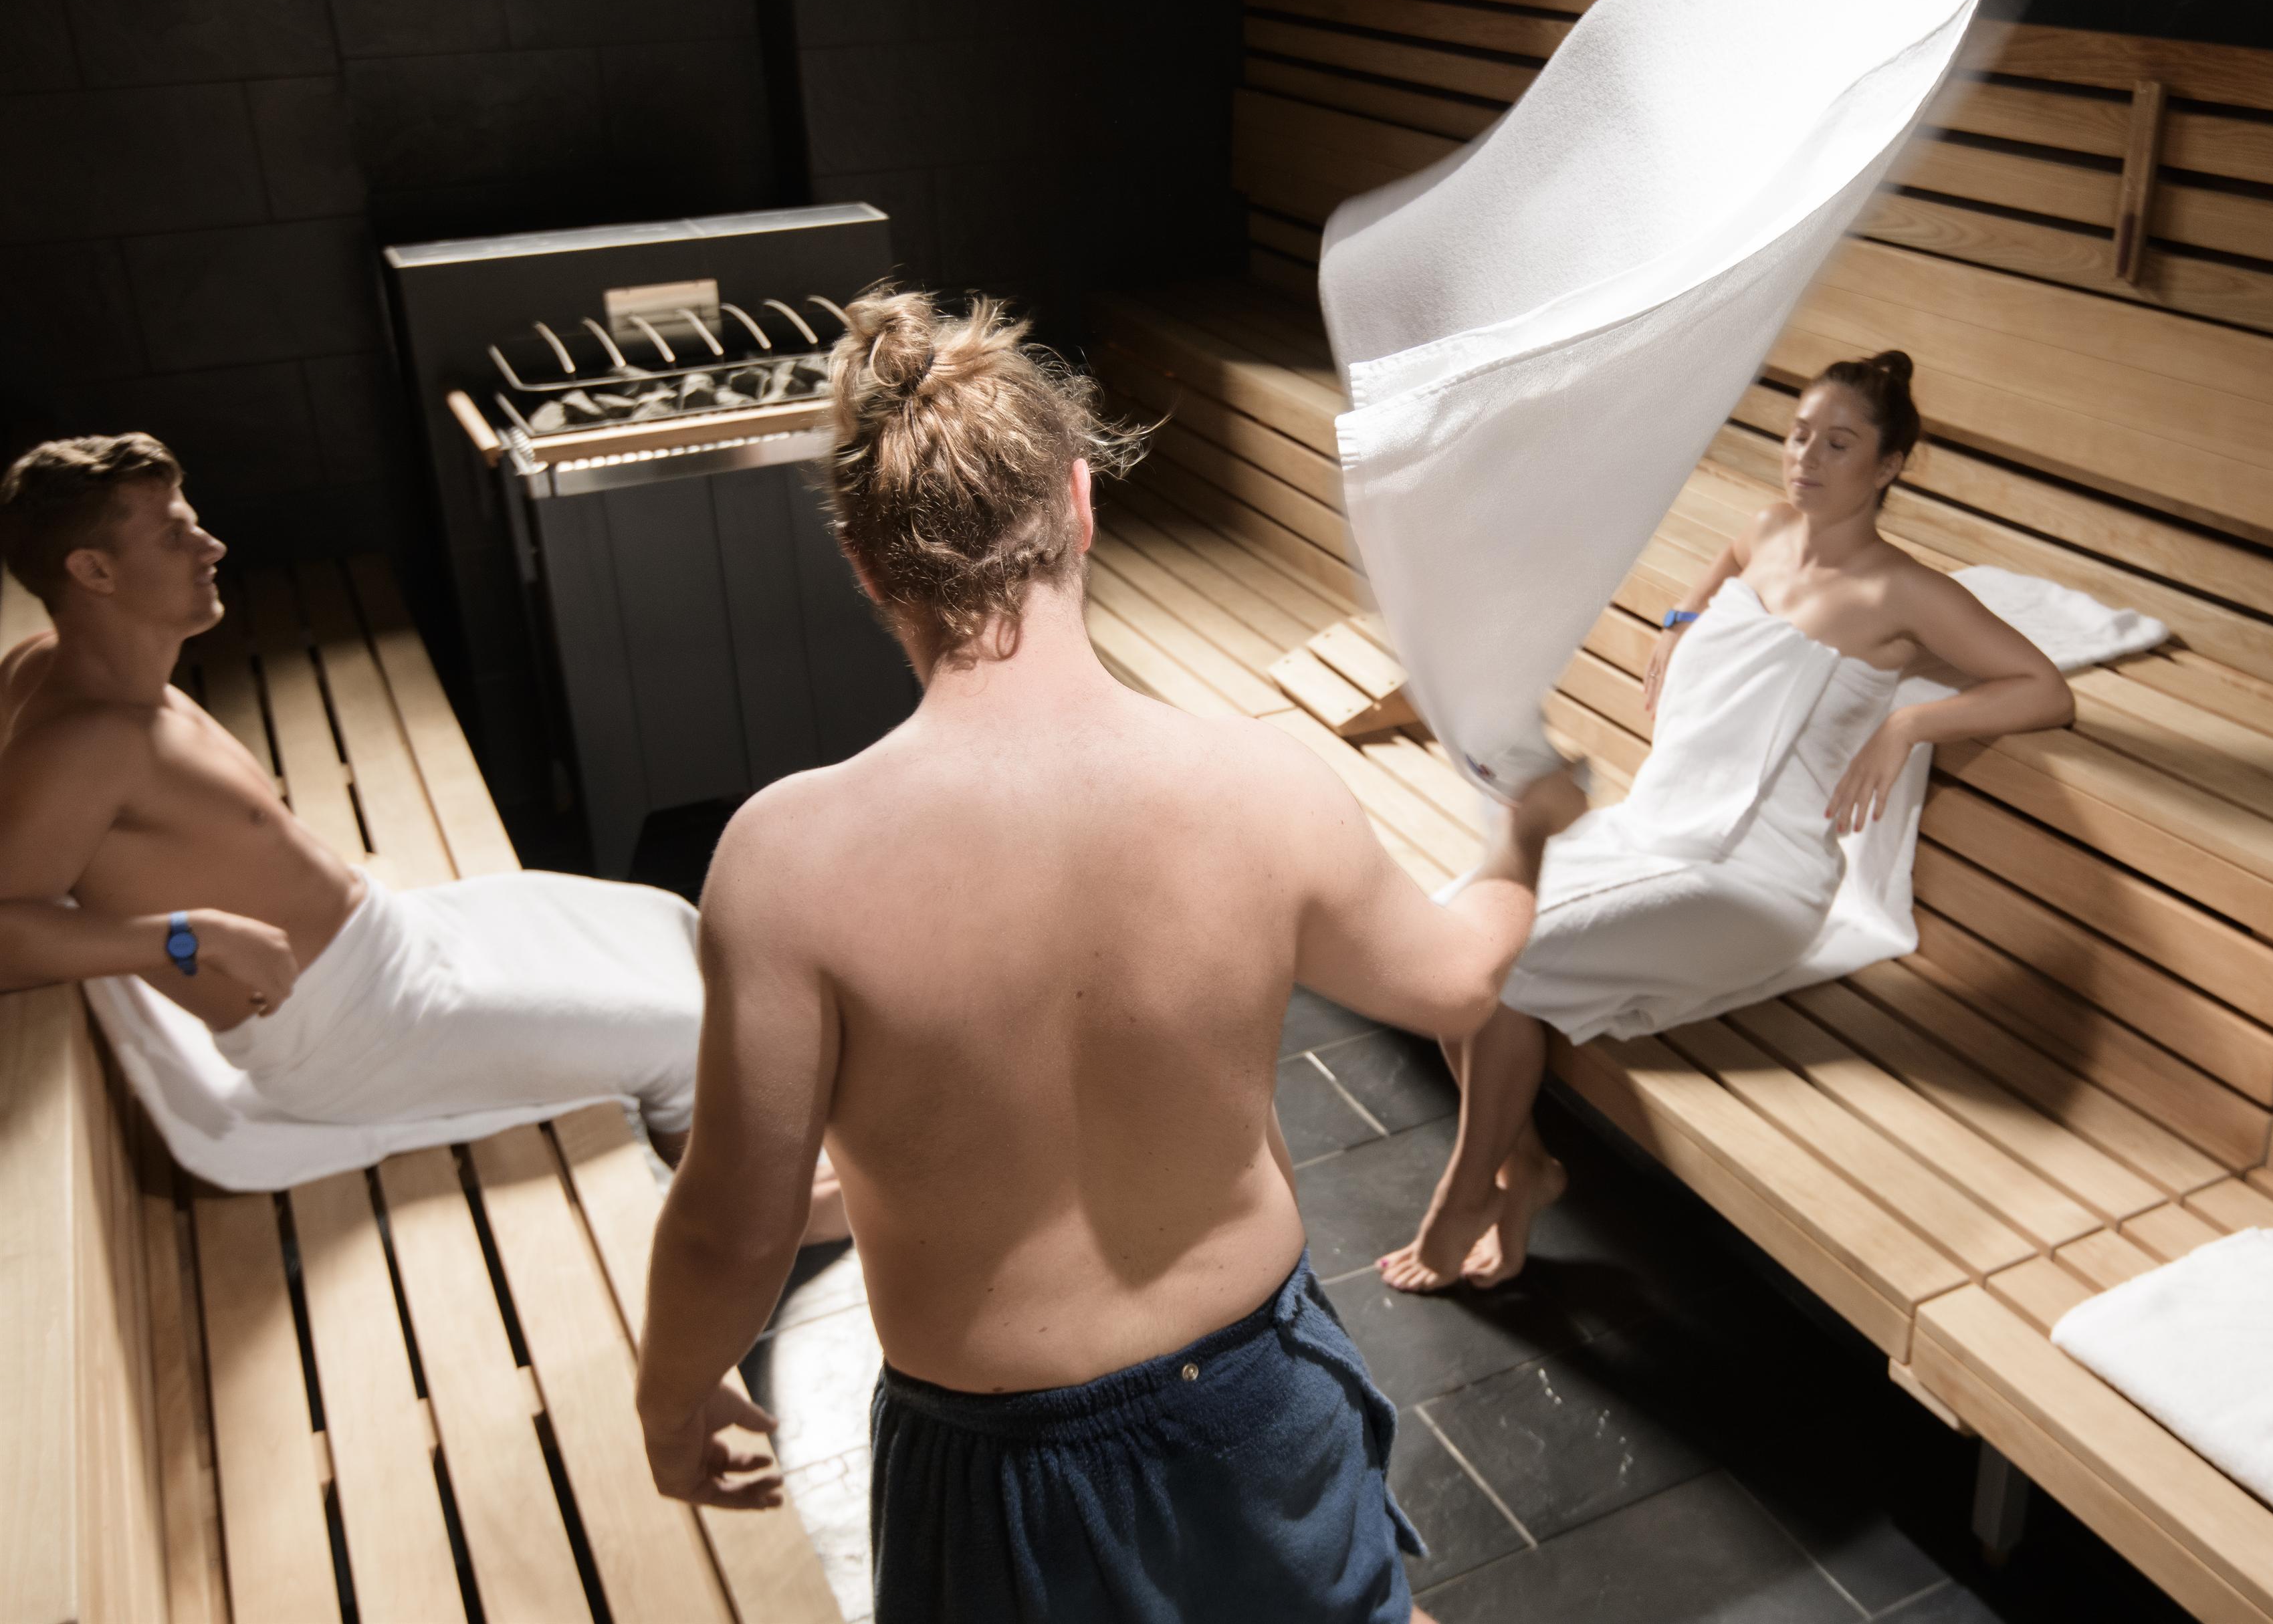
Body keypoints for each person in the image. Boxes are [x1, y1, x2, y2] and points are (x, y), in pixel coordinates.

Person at [633, 288, 1584, 1624]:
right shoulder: (1261, 786)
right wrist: (1522, 838)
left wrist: (671, 1395)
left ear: (864, 563)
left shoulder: (787, 861)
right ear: (1081, 502)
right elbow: (1455, 981)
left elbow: (737, 1219)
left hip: (1001, 1469)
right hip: (1257, 1399)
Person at [0, 432, 843, 1235]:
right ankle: (760, 1223)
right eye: (174, 535)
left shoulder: (50, 666)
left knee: (661, 927)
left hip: (390, 938)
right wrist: (191, 936)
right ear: (93, 570)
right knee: (681, 1033)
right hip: (353, 1032)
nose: (211, 547)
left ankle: (743, 1154)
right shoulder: (85, 741)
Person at [1378, 350, 2076, 1293]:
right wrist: (1681, 619)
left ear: (1890, 465)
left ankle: (1461, 1199)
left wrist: (1909, 724)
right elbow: (1722, 570)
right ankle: (1523, 1171)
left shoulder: (1905, 593)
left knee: (1493, 964)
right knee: (1460, 940)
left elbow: (2043, 688)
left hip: (1753, 880)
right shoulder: (1765, 530)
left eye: (1839, 444)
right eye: (1798, 434)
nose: (1806, 458)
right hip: (1651, 829)